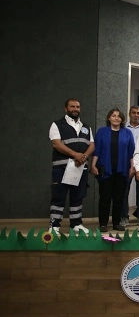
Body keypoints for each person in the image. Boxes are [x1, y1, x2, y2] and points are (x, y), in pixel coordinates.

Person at [48, 98, 95, 236]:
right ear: (66, 108)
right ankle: (54, 226)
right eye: (72, 106)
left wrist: (84, 157)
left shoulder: (86, 127)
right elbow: (56, 144)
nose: (75, 109)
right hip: (62, 167)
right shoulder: (57, 124)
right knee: (58, 197)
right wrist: (76, 155)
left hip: (80, 167)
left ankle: (76, 224)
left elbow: (92, 145)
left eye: (77, 107)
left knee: (78, 197)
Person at [91, 108, 135, 232]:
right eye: (114, 115)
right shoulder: (102, 132)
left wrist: (132, 167)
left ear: (122, 119)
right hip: (105, 170)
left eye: (118, 116)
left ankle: (116, 223)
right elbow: (97, 150)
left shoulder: (127, 133)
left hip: (122, 170)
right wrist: (93, 165)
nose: (116, 118)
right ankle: (103, 223)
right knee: (105, 197)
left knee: (119, 198)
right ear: (109, 118)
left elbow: (131, 152)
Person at [121, 105, 139, 225]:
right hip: (125, 163)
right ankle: (124, 216)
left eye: (138, 113)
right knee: (124, 191)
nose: (136, 115)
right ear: (129, 114)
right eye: (133, 113)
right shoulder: (123, 127)